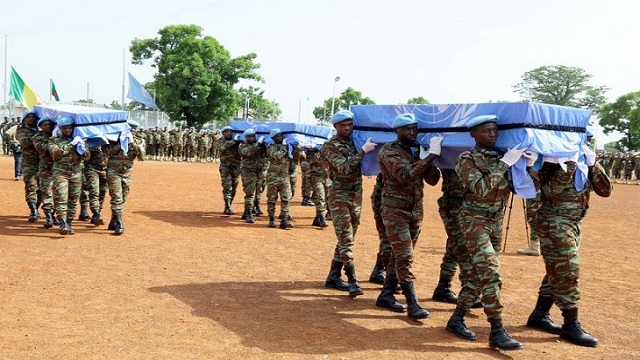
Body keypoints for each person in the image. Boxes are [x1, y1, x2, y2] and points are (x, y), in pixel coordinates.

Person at [525, 133, 612, 347]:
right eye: (583, 140)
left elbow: (605, 191)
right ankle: (571, 324)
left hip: (573, 222)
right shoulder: (549, 162)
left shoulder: (585, 162)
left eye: (588, 141)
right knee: (567, 270)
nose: (586, 144)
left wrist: (593, 164)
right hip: (553, 222)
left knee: (557, 269)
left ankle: (539, 315)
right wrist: (570, 164)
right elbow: (547, 192)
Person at [445, 114, 524, 350]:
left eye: (495, 131)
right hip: (474, 220)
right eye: (487, 130)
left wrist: (526, 166)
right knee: (490, 271)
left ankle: (457, 318)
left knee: (479, 275)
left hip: (495, 221)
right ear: (473, 134)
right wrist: (505, 164)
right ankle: (497, 330)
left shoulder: (502, 156)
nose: (492, 134)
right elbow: (480, 188)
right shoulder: (466, 159)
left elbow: (520, 188)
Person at [377, 113, 442, 319]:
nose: (412, 132)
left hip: (415, 210)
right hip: (394, 210)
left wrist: (428, 159)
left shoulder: (416, 152)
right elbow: (404, 175)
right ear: (397, 131)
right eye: (407, 129)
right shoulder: (388, 151)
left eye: (414, 129)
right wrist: (430, 156)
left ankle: (386, 294)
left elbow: (432, 180)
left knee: (399, 254)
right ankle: (412, 304)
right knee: (405, 255)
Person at [321, 110, 377, 298]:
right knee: (346, 237)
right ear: (335, 126)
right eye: (343, 125)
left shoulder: (355, 141)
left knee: (349, 235)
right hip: (339, 195)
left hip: (355, 195)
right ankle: (352, 280)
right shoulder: (329, 146)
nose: (347, 128)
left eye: (350, 124)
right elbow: (344, 167)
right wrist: (363, 152)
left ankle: (333, 275)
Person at [49, 117, 88, 235]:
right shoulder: (53, 140)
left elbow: (87, 157)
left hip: (76, 173)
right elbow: (56, 154)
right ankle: (62, 223)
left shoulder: (79, 139)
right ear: (60, 128)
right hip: (61, 172)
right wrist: (71, 144)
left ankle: (69, 223)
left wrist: (82, 146)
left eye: (70, 127)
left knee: (73, 199)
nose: (67, 130)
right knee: (61, 198)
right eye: (65, 128)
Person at [104, 120, 143, 235]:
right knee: (116, 197)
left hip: (127, 172)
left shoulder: (137, 140)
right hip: (113, 171)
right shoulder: (112, 139)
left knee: (123, 197)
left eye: (132, 130)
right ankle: (120, 224)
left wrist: (132, 144)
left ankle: (113, 220)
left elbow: (141, 156)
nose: (131, 131)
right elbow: (107, 152)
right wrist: (121, 142)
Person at [15, 110, 41, 222]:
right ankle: (33, 210)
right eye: (29, 117)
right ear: (24, 119)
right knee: (31, 186)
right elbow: (25, 141)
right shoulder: (21, 130)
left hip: (43, 163)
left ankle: (37, 208)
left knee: (42, 188)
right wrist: (40, 135)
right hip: (29, 163)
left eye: (33, 117)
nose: (31, 119)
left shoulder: (41, 129)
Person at [265, 128, 294, 229]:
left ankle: (284, 220)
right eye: (278, 136)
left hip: (284, 177)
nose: (280, 138)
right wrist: (284, 146)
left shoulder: (288, 147)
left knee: (286, 199)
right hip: (273, 178)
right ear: (273, 138)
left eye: (281, 136)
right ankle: (272, 219)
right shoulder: (270, 147)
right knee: (272, 200)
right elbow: (277, 156)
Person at [32, 116, 57, 228]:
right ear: (41, 127)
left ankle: (53, 214)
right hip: (45, 169)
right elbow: (44, 148)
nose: (48, 127)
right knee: (46, 192)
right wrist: (54, 139)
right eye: (45, 125)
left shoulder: (58, 135)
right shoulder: (37, 137)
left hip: (58, 169)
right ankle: (48, 217)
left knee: (58, 193)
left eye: (50, 125)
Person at [238, 128, 267, 224]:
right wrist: (258, 143)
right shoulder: (242, 145)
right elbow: (248, 152)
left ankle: (248, 211)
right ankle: (249, 213)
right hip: (248, 172)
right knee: (250, 192)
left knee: (259, 190)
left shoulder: (262, 145)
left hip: (260, 171)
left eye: (252, 136)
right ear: (245, 138)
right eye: (248, 137)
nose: (251, 138)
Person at [215, 126, 241, 215]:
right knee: (227, 187)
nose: (229, 133)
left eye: (230, 132)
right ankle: (227, 205)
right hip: (225, 167)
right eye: (226, 132)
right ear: (223, 133)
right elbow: (222, 148)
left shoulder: (238, 141)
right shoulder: (220, 141)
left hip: (236, 167)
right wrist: (234, 141)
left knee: (234, 187)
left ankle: (230, 203)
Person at [307, 147, 329, 228]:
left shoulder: (329, 148)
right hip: (316, 177)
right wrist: (317, 150)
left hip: (327, 177)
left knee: (327, 197)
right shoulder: (312, 151)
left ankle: (317, 218)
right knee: (320, 196)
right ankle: (322, 218)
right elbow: (313, 160)